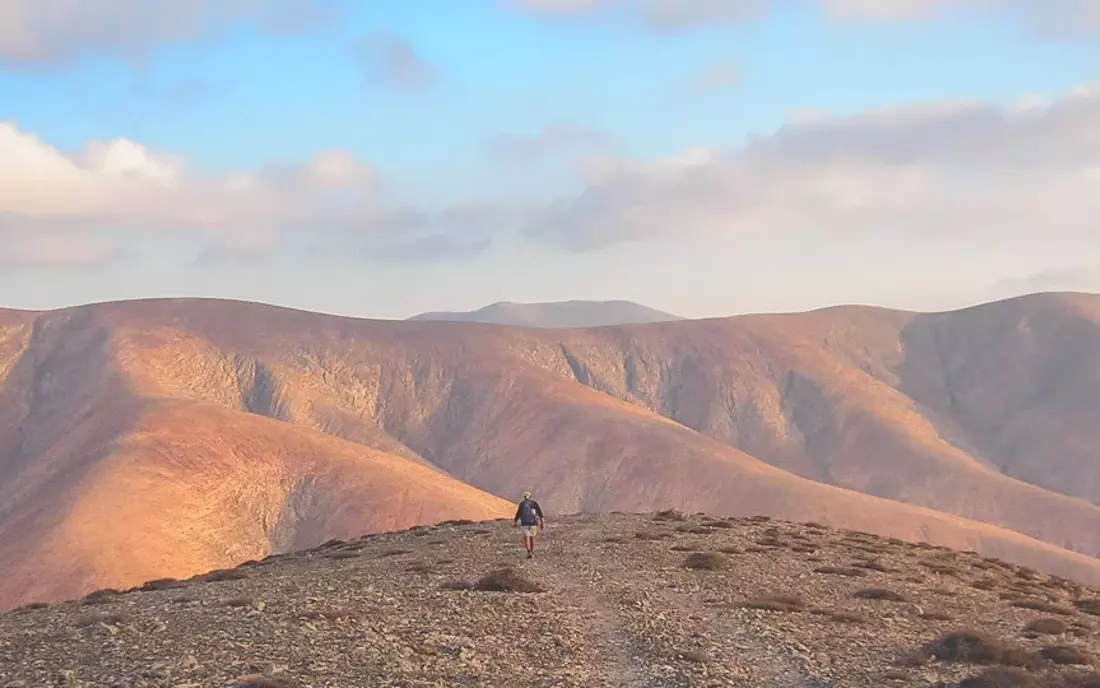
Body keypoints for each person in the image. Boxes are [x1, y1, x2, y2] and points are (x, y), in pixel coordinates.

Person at [513, 491, 544, 559]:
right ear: (530, 497)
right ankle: (532, 551)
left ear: (524, 497)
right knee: (532, 537)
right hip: (533, 522)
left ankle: (528, 551)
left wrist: (515, 522)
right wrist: (542, 523)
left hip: (524, 523)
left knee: (526, 537)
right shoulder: (534, 503)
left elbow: (518, 514)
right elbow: (540, 513)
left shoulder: (522, 504)